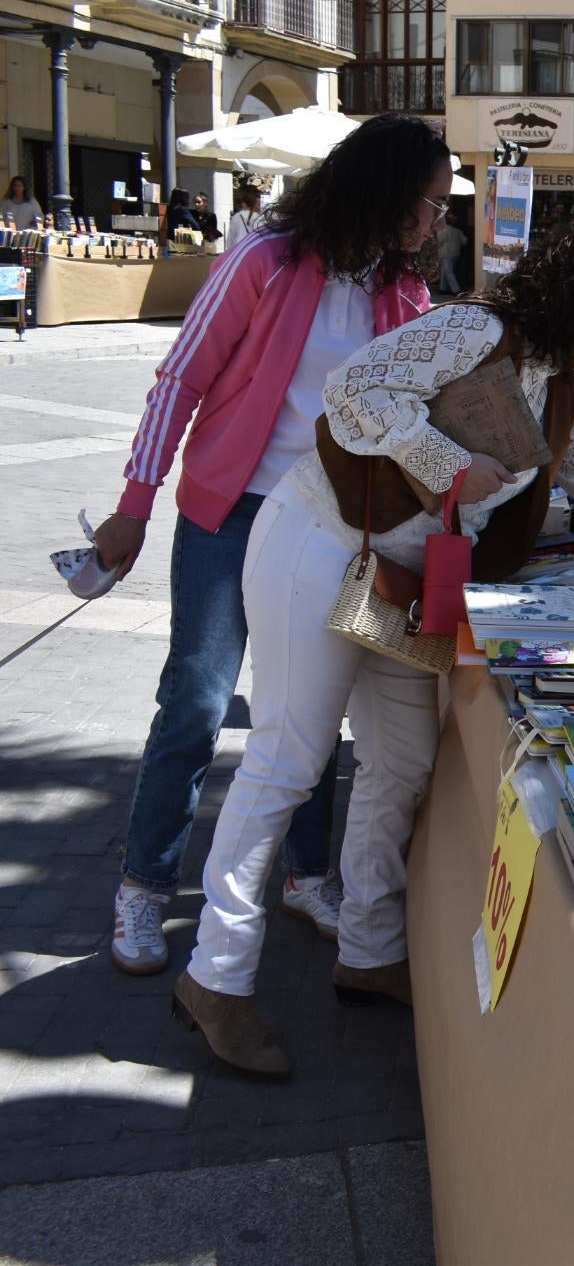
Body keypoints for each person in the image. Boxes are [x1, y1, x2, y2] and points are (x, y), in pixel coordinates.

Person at [173, 223, 574, 1075]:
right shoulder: (475, 330)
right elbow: (353, 389)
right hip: (321, 542)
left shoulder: (560, 390)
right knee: (288, 758)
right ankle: (217, 973)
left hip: (406, 579)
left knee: (400, 765)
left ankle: (369, 950)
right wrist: (443, 458)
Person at [93, 113, 450, 984]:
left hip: (334, 527)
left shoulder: (405, 299)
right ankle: (144, 883)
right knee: (199, 699)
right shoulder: (264, 262)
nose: (438, 219)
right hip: (234, 513)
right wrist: (134, 504)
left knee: (310, 713)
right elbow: (180, 378)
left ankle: (306, 874)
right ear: (387, 191)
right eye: (430, 202)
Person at [429, 207, 467, 295]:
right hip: (456, 253)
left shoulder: (442, 230)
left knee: (448, 271)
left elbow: (439, 241)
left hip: (446, 253)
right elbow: (464, 241)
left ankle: (456, 290)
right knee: (445, 271)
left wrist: (435, 248)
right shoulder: (458, 231)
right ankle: (442, 288)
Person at [225, 186, 267, 250]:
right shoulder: (261, 218)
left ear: (244, 204)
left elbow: (230, 239)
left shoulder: (237, 217)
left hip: (239, 250)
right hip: (254, 249)